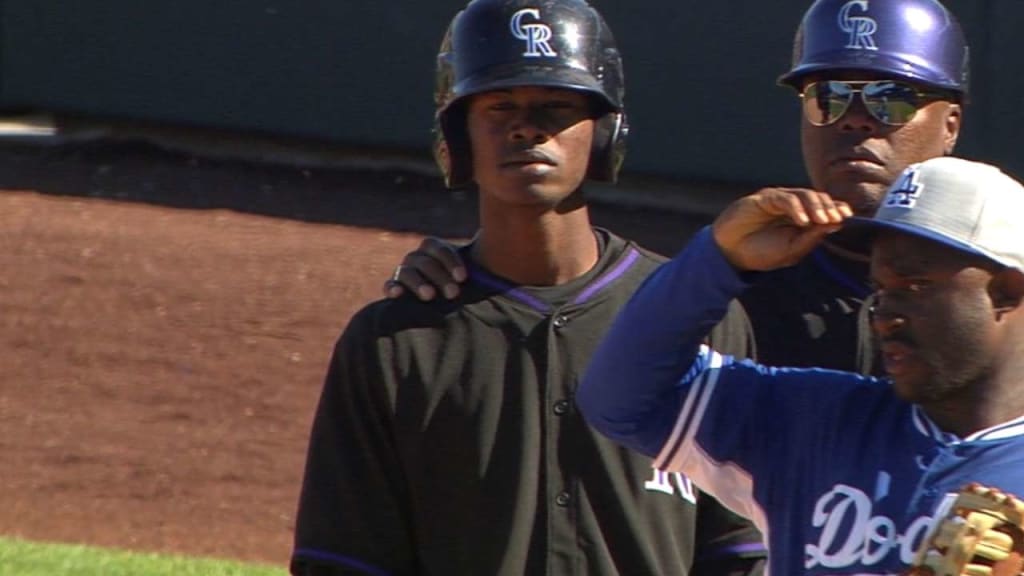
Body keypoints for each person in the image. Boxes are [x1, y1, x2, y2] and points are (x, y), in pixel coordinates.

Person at [289, 0, 764, 574]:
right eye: (499, 105)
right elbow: (345, 560)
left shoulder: (697, 316)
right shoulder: (395, 342)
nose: (527, 126)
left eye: (557, 105)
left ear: (606, 131)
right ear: (457, 135)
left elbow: (738, 549)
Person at [382, 0, 970, 377]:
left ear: (951, 125)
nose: (856, 119)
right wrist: (465, 282)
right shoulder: (734, 286)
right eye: (829, 97)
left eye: (890, 98)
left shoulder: (998, 288)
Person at [576, 156, 1024, 575]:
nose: (886, 313)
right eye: (881, 288)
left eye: (914, 284)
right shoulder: (815, 420)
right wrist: (717, 259)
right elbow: (621, 400)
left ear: (1006, 290)